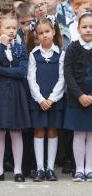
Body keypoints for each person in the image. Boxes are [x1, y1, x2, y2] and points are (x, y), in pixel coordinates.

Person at [0, 15, 31, 182]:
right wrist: (2, 46)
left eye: (13, 28)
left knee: (16, 132)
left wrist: (2, 71)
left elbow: (21, 71)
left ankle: (18, 170)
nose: (11, 30)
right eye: (7, 28)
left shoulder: (20, 48)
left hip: (16, 92)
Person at [26, 16, 65, 182]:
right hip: (39, 101)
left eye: (47, 31)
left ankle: (50, 168)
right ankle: (40, 168)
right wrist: (40, 99)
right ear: (37, 35)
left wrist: (52, 98)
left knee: (52, 130)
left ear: (53, 31)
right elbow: (31, 79)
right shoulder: (34, 54)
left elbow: (62, 78)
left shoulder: (61, 54)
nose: (44, 35)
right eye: (40, 33)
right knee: (39, 130)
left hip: (54, 99)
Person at [63, 12, 92, 181]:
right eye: (85, 27)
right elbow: (68, 74)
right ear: (78, 28)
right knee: (79, 134)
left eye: (91, 27)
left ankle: (90, 168)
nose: (88, 30)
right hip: (77, 98)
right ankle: (80, 168)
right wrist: (80, 95)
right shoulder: (72, 48)